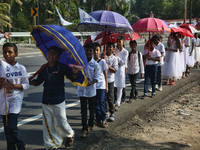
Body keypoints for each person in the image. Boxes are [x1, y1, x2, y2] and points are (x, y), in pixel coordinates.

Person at [30, 46, 78, 149]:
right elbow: (38, 81)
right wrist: (28, 82)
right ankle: (50, 146)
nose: (50, 55)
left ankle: (70, 134)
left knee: (61, 122)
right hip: (46, 100)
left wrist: (75, 73)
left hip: (58, 100)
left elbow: (72, 78)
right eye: (49, 53)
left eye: (53, 53)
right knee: (47, 125)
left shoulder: (62, 67)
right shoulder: (44, 67)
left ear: (58, 57)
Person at [0, 43, 29, 150]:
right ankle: (10, 148)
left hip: (15, 101)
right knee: (7, 129)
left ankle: (21, 145)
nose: (7, 54)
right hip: (4, 102)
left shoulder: (21, 68)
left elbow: (26, 85)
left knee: (12, 127)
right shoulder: (0, 69)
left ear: (16, 54)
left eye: (10, 52)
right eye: (4, 52)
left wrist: (13, 85)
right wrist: (1, 82)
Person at [77, 43, 100, 137]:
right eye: (86, 50)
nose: (88, 52)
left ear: (94, 52)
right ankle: (84, 128)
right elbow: (76, 74)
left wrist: (90, 83)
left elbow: (96, 78)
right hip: (82, 90)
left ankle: (91, 124)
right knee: (83, 110)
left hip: (91, 91)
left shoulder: (95, 65)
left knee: (91, 109)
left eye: (90, 50)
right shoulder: (80, 63)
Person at [93, 42, 108, 127]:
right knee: (95, 103)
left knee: (101, 102)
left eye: (97, 50)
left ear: (100, 51)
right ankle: (98, 119)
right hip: (94, 86)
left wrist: (106, 86)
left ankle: (104, 119)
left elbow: (105, 74)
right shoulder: (90, 62)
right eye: (94, 50)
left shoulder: (102, 62)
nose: (95, 52)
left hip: (101, 85)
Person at [104, 42, 118, 122]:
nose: (108, 49)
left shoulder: (114, 58)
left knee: (110, 96)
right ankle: (106, 111)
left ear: (113, 49)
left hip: (110, 79)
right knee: (104, 97)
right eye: (107, 47)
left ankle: (112, 113)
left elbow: (115, 70)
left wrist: (107, 66)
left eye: (110, 47)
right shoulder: (103, 56)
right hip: (103, 80)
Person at [114, 36, 128, 110]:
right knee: (113, 87)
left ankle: (118, 103)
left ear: (123, 42)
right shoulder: (114, 50)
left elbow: (123, 62)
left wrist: (116, 57)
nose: (118, 43)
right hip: (114, 71)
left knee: (120, 88)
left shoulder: (125, 52)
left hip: (121, 71)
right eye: (117, 41)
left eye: (120, 41)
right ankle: (114, 101)